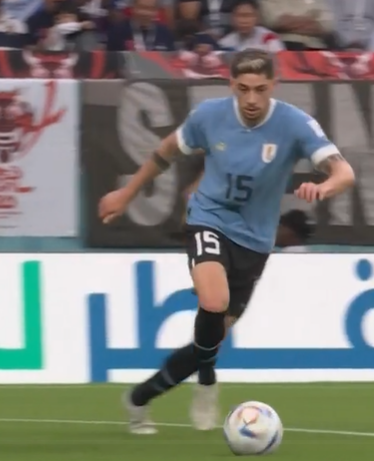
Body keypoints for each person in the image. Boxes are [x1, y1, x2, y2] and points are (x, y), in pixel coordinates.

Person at [98, 48, 355, 435]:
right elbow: (164, 153)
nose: (251, 99)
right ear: (231, 84)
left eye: (260, 89)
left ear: (274, 85)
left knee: (210, 337)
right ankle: (207, 382)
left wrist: (325, 187)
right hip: (209, 219)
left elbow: (344, 172)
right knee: (213, 301)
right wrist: (126, 193)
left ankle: (138, 398)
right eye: (243, 88)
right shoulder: (209, 116)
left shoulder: (294, 123)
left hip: (255, 241)